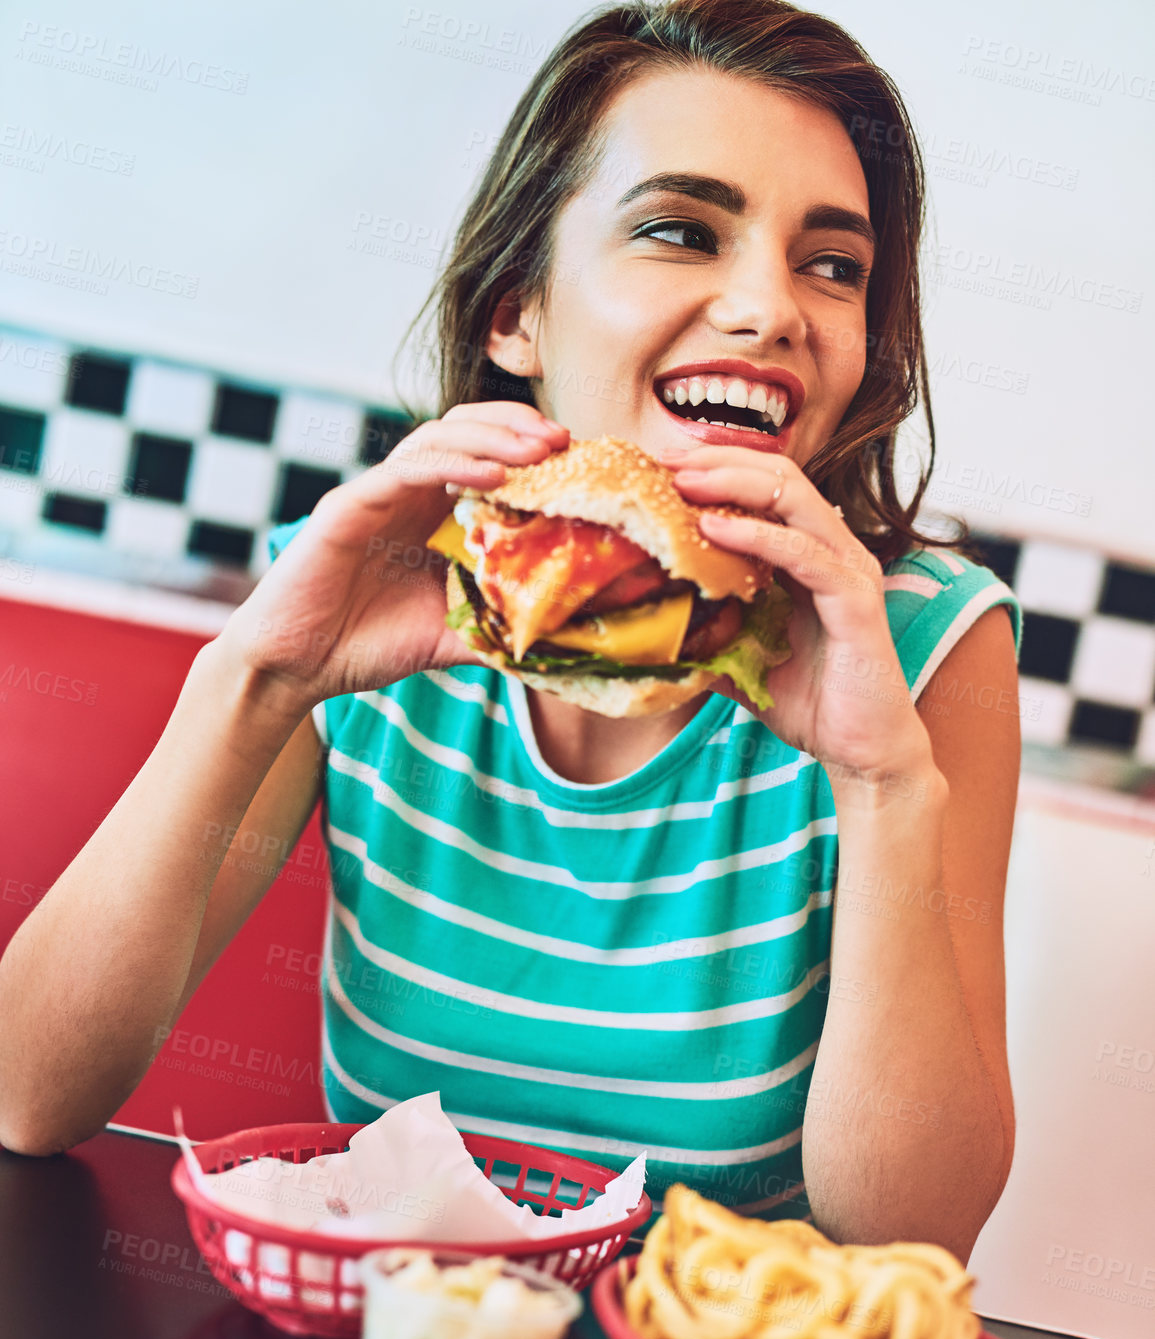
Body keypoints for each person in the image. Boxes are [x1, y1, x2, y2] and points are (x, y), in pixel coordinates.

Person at [0, 0, 1022, 1263]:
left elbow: (914, 1237)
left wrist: (882, 786)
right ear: (512, 315)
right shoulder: (369, 598)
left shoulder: (926, 647)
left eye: (834, 264)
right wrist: (255, 682)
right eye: (679, 231)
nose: (770, 308)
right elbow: (29, 1096)